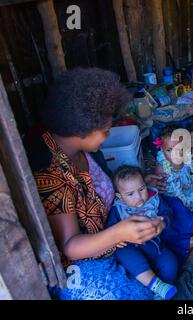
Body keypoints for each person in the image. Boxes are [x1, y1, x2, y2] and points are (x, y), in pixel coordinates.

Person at [30, 68, 176, 300]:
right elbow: (70, 246)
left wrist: (134, 187)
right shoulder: (52, 174)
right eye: (106, 131)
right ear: (84, 130)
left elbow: (102, 185)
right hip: (83, 258)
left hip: (113, 229)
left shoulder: (85, 151)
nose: (108, 136)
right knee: (138, 292)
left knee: (166, 252)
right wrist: (119, 233)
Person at [106, 166, 178, 300]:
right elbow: (110, 227)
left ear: (146, 185)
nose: (139, 196)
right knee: (126, 255)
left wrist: (162, 223)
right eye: (130, 194)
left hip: (156, 247)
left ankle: (161, 293)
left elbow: (168, 213)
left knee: (170, 262)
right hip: (130, 247)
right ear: (119, 196)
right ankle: (155, 285)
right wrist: (117, 239)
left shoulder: (154, 199)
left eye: (141, 189)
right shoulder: (118, 208)